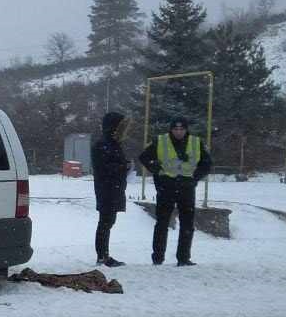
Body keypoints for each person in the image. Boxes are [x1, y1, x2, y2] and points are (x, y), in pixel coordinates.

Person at [138, 117, 212, 266]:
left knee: (187, 224)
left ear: (186, 129)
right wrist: (158, 172)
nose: (179, 132)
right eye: (176, 129)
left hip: (186, 186)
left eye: (182, 129)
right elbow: (144, 157)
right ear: (171, 129)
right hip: (167, 186)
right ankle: (158, 258)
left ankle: (183, 258)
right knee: (162, 222)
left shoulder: (195, 142)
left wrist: (195, 178)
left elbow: (207, 163)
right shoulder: (160, 141)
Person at [91, 111, 131, 267]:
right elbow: (104, 167)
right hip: (107, 189)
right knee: (105, 222)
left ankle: (103, 255)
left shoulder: (113, 144)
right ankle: (102, 256)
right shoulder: (102, 145)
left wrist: (123, 166)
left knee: (108, 221)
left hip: (113, 188)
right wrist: (123, 166)